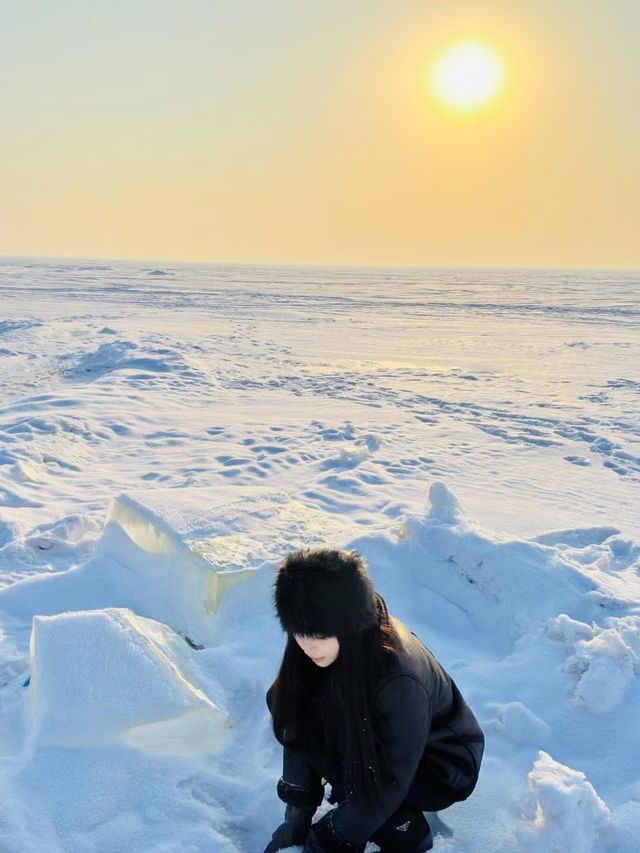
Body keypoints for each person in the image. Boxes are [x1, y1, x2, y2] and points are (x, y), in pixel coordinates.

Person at [263, 547, 485, 853]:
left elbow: (387, 781)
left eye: (318, 635)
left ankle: (406, 829)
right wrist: (297, 817)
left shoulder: (398, 679)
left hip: (438, 764)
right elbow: (294, 718)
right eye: (300, 634)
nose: (307, 646)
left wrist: (329, 839)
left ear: (348, 623)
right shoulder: (324, 636)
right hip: (382, 742)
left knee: (366, 799)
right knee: (298, 706)